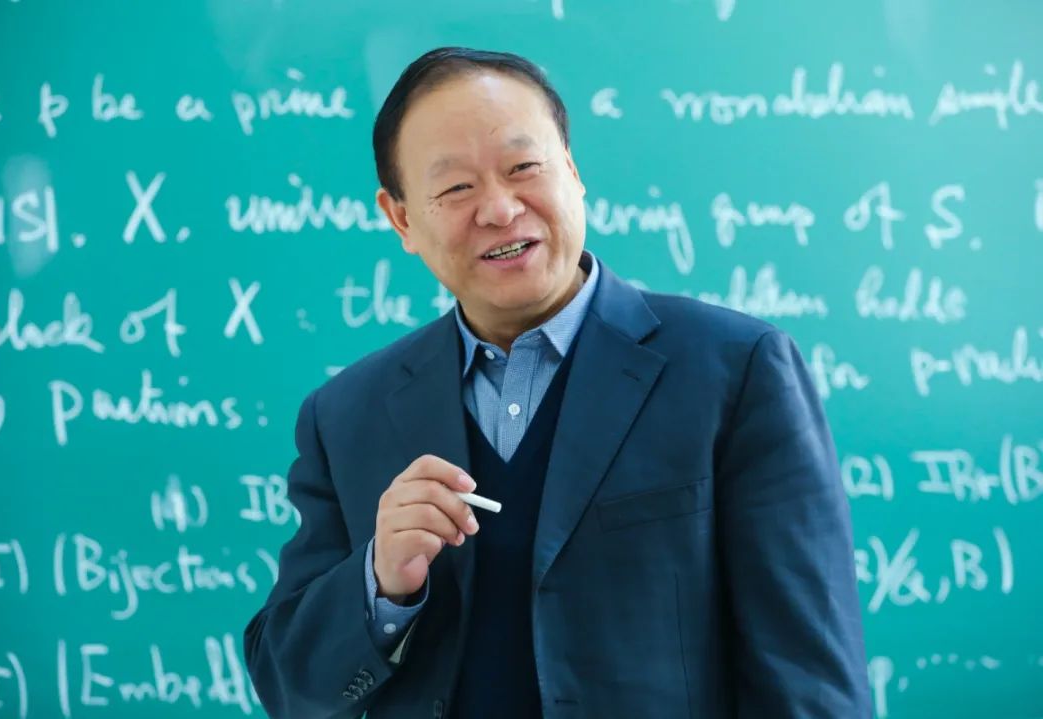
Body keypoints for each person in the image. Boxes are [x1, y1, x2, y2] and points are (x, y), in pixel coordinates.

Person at [243, 46, 870, 719]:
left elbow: (810, 683)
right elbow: (292, 689)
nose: (499, 208)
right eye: (456, 189)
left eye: (524, 167)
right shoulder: (345, 416)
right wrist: (379, 583)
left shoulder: (737, 370)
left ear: (572, 171)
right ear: (401, 219)